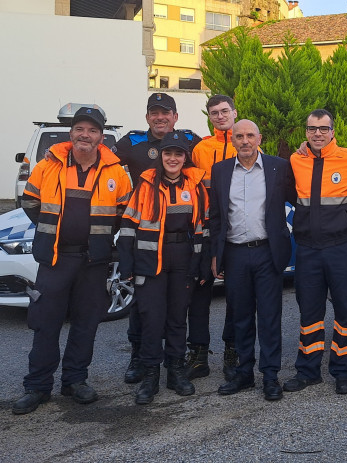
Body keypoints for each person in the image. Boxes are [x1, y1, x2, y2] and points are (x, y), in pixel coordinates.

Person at [12, 107, 131, 415]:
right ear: (71, 133)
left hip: (93, 261)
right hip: (55, 259)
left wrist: (99, 239)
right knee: (45, 323)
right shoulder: (47, 166)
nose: (85, 135)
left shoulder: (115, 171)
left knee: (86, 323)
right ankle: (37, 387)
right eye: (80, 129)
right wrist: (54, 233)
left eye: (92, 131)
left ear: (101, 138)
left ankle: (75, 381)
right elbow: (30, 203)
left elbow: (123, 212)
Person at [113, 92, 201, 385]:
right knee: (144, 312)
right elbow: (99, 157)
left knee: (177, 315)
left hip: (180, 250)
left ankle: (174, 367)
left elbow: (220, 154)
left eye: (166, 112)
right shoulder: (132, 142)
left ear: (175, 117)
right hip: (148, 245)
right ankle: (140, 361)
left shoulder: (190, 141)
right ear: (147, 116)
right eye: (155, 112)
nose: (160, 117)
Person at [208, 120, 295, 401]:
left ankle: (270, 376)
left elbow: (298, 198)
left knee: (270, 317)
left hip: (267, 252)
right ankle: (244, 373)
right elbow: (217, 217)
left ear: (260, 138)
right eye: (239, 136)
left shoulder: (278, 167)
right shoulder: (221, 171)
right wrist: (215, 254)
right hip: (234, 254)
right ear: (231, 140)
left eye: (250, 136)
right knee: (241, 317)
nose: (245, 141)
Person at [284, 109, 347, 395]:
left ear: (332, 131)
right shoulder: (296, 160)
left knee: (345, 310)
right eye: (312, 128)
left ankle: (343, 372)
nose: (317, 133)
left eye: (323, 129)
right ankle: (307, 372)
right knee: (310, 312)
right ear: (305, 132)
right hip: (307, 249)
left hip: (341, 247)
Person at [185, 94, 239, 382]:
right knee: (199, 293)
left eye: (224, 111)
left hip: (235, 230)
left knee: (236, 296)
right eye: (214, 112)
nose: (220, 116)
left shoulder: (245, 142)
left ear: (234, 112)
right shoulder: (201, 149)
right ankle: (199, 354)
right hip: (205, 231)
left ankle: (232, 350)